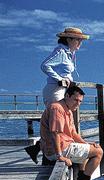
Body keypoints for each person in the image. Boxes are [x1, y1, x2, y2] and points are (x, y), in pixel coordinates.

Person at [25, 27, 90, 163]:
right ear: (69, 39)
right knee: (56, 124)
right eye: (78, 39)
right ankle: (53, 154)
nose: (80, 43)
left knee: (56, 123)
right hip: (55, 90)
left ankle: (38, 149)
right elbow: (45, 65)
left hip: (61, 90)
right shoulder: (61, 51)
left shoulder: (68, 53)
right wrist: (59, 79)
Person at [40, 85, 103, 180]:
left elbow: (73, 133)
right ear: (67, 95)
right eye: (76, 100)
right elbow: (55, 133)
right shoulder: (57, 108)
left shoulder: (68, 110)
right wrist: (60, 156)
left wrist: (86, 144)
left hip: (63, 146)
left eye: (80, 101)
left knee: (89, 149)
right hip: (56, 150)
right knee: (98, 152)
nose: (78, 104)